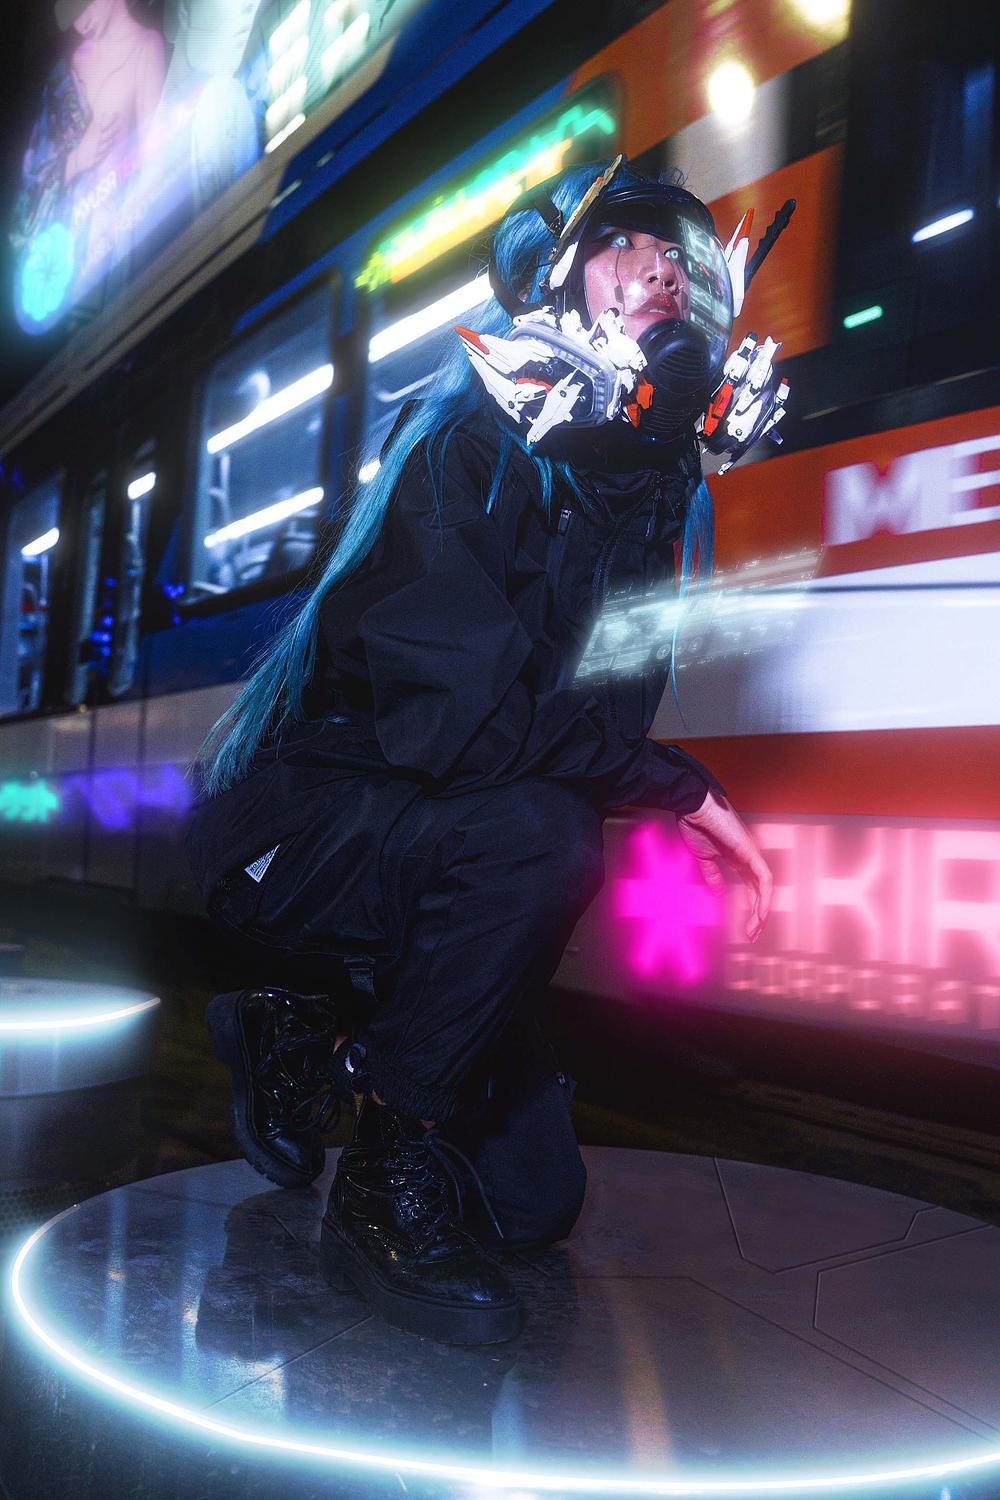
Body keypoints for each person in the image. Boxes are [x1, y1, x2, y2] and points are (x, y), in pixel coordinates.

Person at [184, 157, 775, 1347]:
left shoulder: (645, 494)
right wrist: (682, 792)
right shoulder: (465, 441)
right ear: (551, 280)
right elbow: (467, 723)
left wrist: (650, 771)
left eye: (679, 258)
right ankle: (376, 1168)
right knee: (545, 833)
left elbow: (583, 728)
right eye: (622, 246)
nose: (660, 271)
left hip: (444, 828)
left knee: (531, 1207)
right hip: (303, 839)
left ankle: (308, 1034)